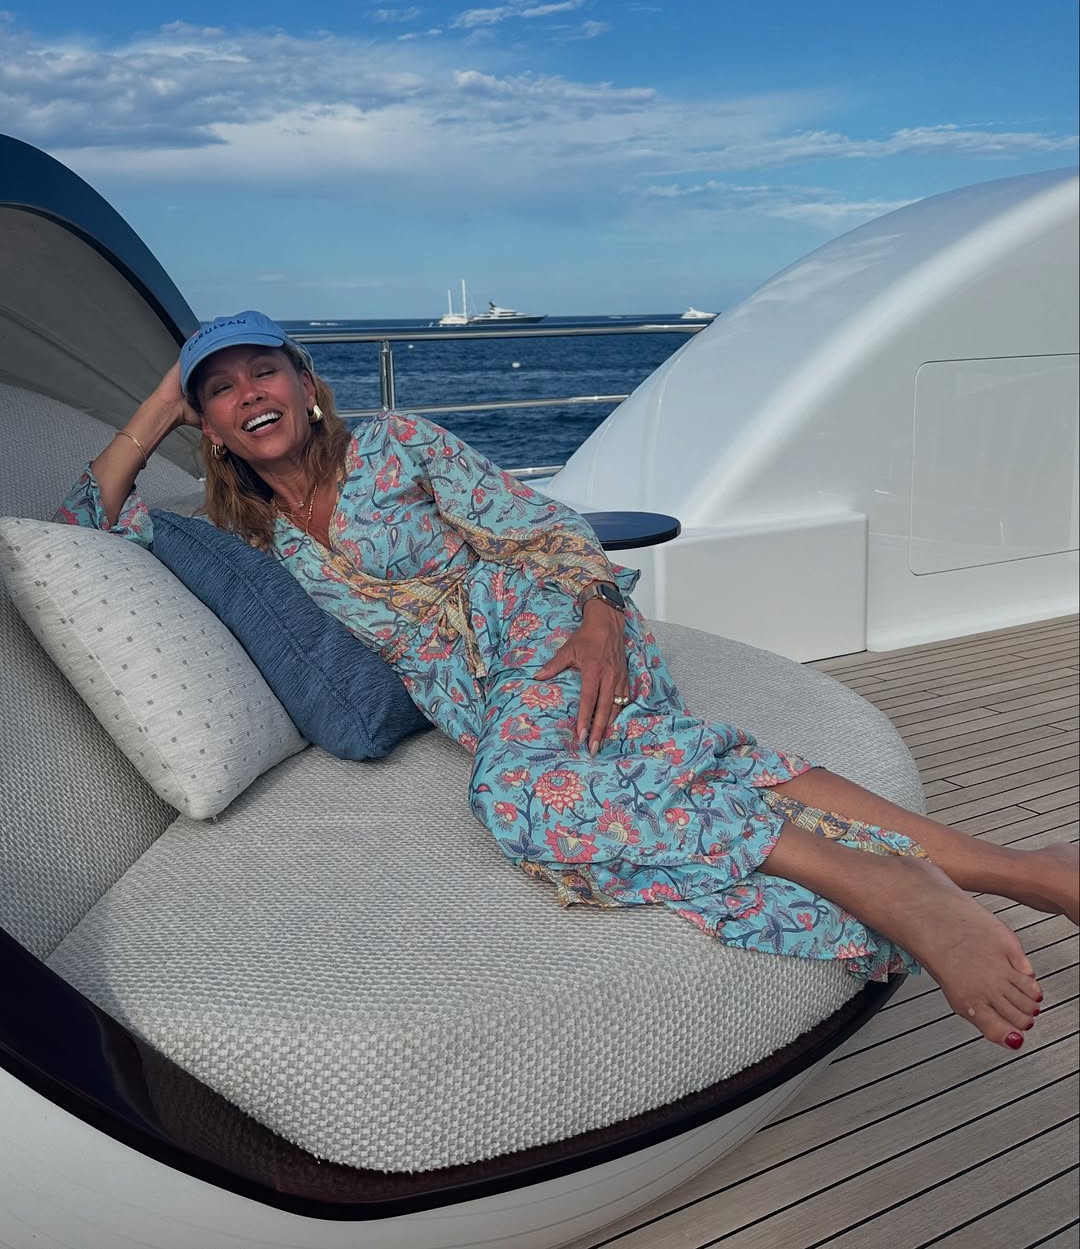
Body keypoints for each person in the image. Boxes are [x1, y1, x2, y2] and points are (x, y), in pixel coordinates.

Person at [58, 310, 1078, 1051]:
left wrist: (600, 616)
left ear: (306, 383)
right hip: (482, 697)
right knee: (680, 765)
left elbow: (539, 525)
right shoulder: (255, 536)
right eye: (222, 389)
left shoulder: (400, 446)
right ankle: (1023, 870)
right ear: (210, 427)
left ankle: (883, 880)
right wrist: (159, 402)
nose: (250, 393)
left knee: (514, 799)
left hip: (544, 624)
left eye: (264, 371)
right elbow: (83, 520)